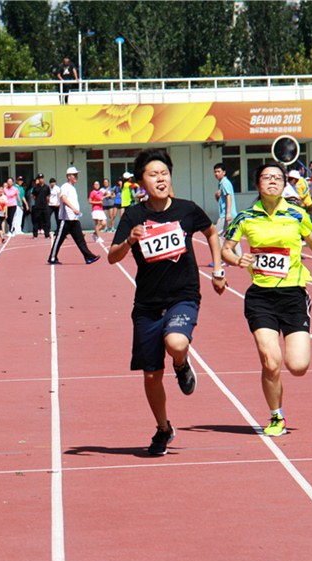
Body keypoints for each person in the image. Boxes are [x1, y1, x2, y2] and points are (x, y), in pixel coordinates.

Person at [108, 149, 226, 455]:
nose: (160, 179)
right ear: (141, 182)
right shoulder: (134, 215)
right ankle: (163, 428)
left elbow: (212, 232)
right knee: (150, 374)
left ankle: (181, 363)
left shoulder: (187, 210)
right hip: (147, 303)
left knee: (176, 342)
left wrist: (217, 268)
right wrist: (130, 240)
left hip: (183, 295)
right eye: (153, 174)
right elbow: (112, 257)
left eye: (164, 173)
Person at [222, 162, 312, 437]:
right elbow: (226, 249)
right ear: (258, 184)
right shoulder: (245, 218)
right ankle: (277, 416)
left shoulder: (297, 215)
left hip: (293, 295)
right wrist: (238, 259)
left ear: (284, 184)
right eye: (267, 177)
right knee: (270, 360)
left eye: (278, 178)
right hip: (260, 297)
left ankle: (281, 401)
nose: (273, 181)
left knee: (297, 366)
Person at [47, 166, 101, 265]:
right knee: (59, 239)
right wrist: (73, 208)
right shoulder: (65, 186)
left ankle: (88, 257)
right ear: (69, 176)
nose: (76, 176)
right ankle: (52, 258)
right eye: (74, 175)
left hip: (74, 218)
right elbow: (63, 199)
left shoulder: (73, 188)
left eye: (76, 175)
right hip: (66, 218)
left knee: (80, 239)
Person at [30, 173, 51, 239]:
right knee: (36, 221)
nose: (41, 179)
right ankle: (35, 235)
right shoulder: (36, 187)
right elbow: (33, 195)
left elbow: (48, 195)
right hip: (37, 206)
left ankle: (47, 235)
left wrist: (47, 202)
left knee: (46, 221)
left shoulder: (47, 187)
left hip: (45, 206)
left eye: (42, 178)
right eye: (39, 178)